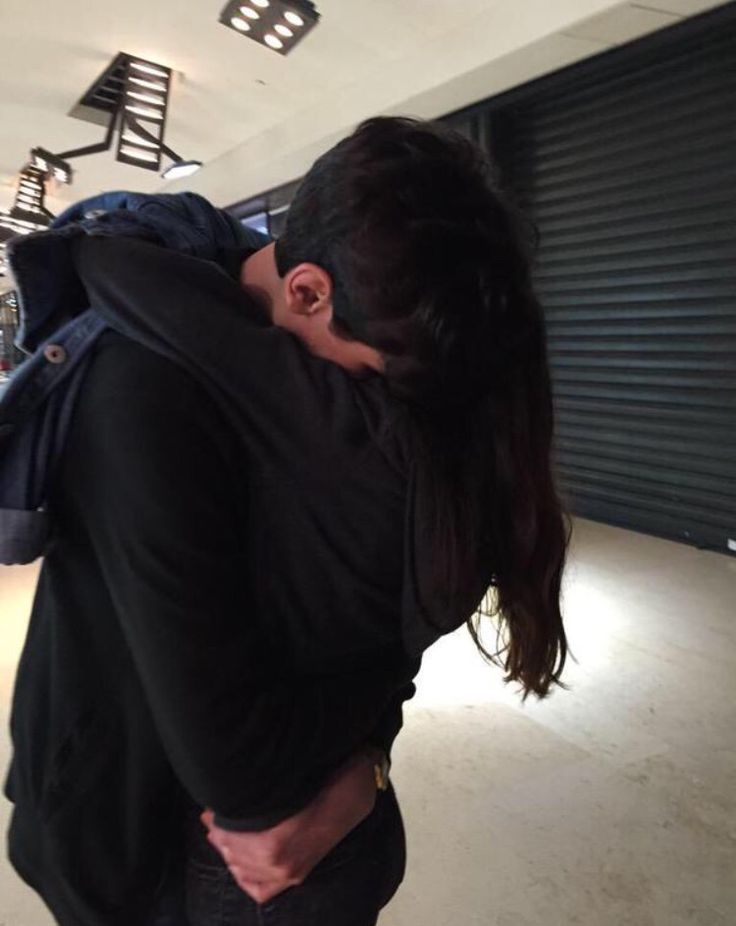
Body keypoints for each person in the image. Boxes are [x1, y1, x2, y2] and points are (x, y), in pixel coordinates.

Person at [4, 116, 569, 926]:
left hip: (273, 837)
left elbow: (385, 604)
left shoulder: (353, 352)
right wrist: (355, 767)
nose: (388, 409)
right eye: (380, 381)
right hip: (132, 834)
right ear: (308, 290)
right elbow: (245, 767)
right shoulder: (145, 391)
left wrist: (365, 768)